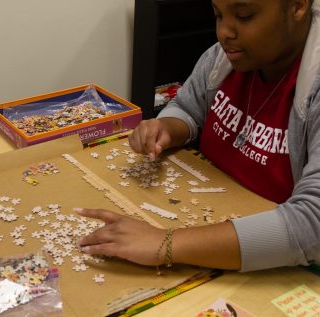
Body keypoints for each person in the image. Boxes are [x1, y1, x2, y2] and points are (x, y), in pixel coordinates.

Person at [76, 0, 320, 272]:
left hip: (285, 266)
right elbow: (187, 108)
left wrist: (164, 243)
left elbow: (313, 224)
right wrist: (167, 127)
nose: (224, 31)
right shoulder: (223, 57)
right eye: (217, 15)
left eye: (244, 15)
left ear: (297, 6)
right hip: (204, 220)